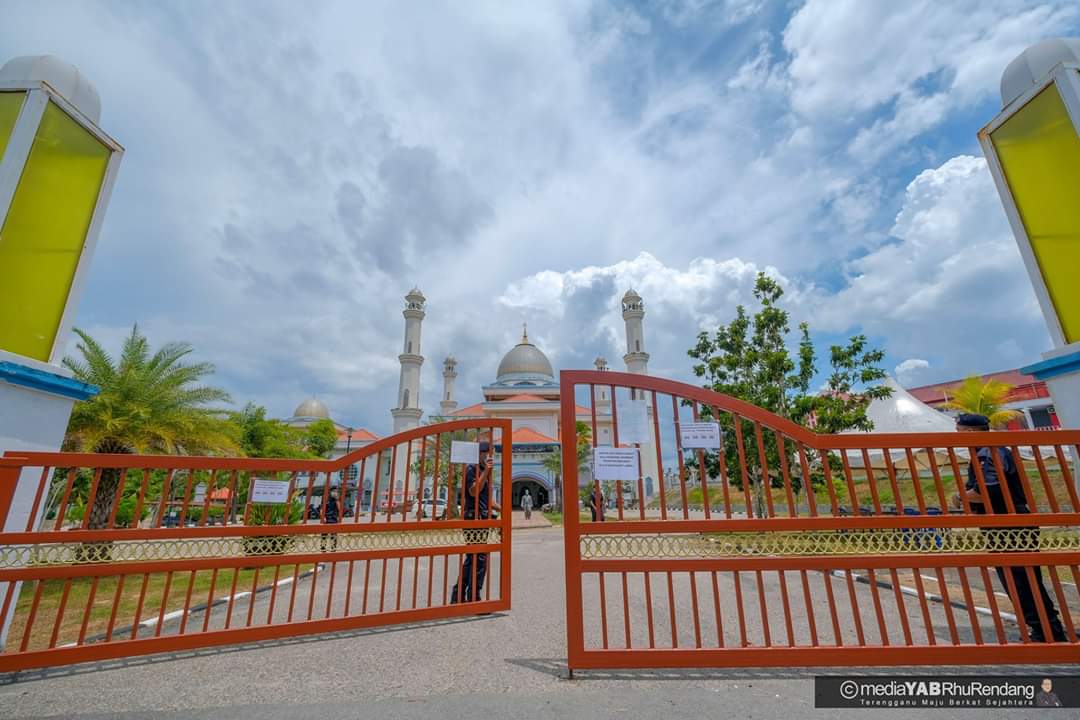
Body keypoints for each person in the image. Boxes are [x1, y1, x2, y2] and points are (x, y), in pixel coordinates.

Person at [950, 413, 1067, 643]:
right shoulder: (987, 451)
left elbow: (990, 490)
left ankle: (1048, 631)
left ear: (971, 432)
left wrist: (961, 497)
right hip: (1003, 523)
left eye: (959, 430)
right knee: (1019, 579)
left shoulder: (990, 452)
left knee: (1021, 579)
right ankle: (1045, 629)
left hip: (1009, 524)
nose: (956, 435)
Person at [452, 442, 500, 603]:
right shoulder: (472, 469)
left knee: (473, 557)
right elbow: (474, 491)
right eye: (488, 453)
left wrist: (502, 509)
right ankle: (473, 596)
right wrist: (486, 471)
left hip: (482, 518)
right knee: (479, 558)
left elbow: (486, 499)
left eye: (492, 453)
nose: (490, 456)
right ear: (481, 453)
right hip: (474, 518)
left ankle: (458, 595)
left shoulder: (484, 471)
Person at [320, 488, 340, 553]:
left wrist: (337, 500)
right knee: (324, 536)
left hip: (334, 520)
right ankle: (323, 549)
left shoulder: (337, 500)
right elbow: (321, 509)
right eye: (334, 491)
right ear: (330, 492)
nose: (335, 493)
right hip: (326, 519)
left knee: (334, 536)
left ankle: (333, 550)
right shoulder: (325, 499)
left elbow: (340, 509)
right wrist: (323, 517)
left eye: (336, 492)